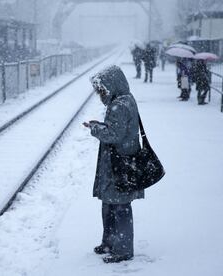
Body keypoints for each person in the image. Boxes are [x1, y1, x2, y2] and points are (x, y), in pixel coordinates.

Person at [83, 65, 144, 263]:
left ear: (112, 85)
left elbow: (114, 135)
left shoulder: (119, 105)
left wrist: (95, 129)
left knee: (120, 207)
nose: (101, 94)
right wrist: (101, 125)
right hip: (120, 161)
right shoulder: (125, 99)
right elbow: (117, 129)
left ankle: (123, 249)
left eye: (103, 90)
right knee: (110, 204)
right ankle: (109, 242)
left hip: (119, 165)